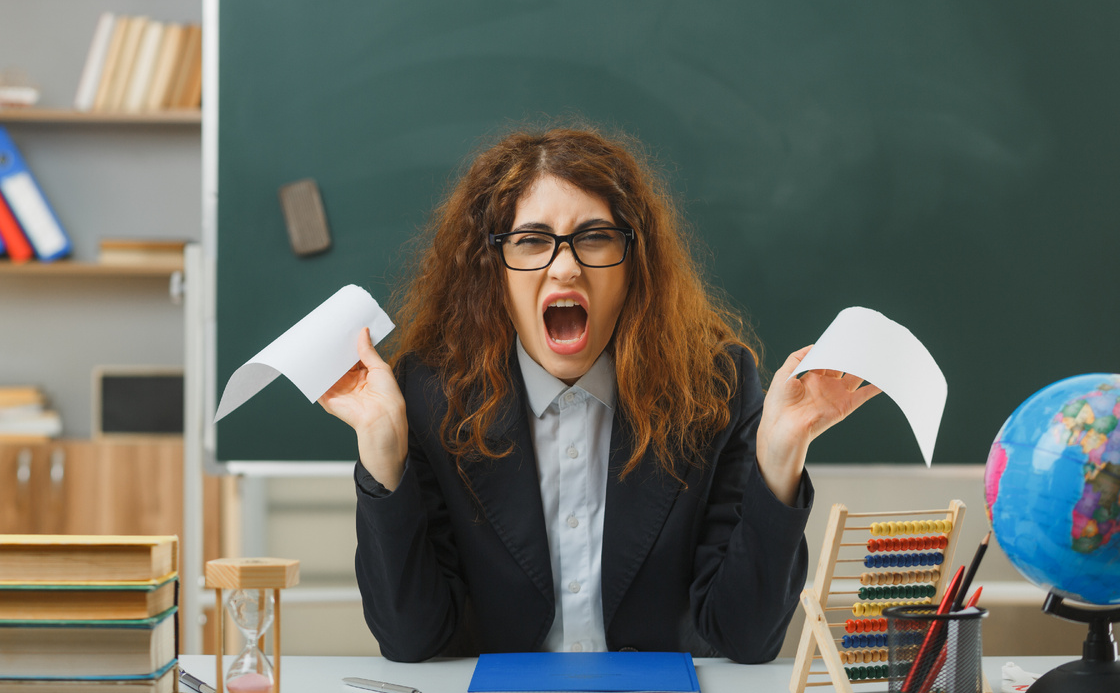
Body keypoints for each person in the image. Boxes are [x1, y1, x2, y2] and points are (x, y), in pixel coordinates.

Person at [320, 124, 879, 663]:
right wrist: (383, 454)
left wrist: (778, 462)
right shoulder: (430, 396)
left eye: (595, 237)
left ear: (635, 265)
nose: (565, 267)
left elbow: (746, 639)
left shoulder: (715, 390)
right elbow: (411, 640)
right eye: (532, 241)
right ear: (496, 270)